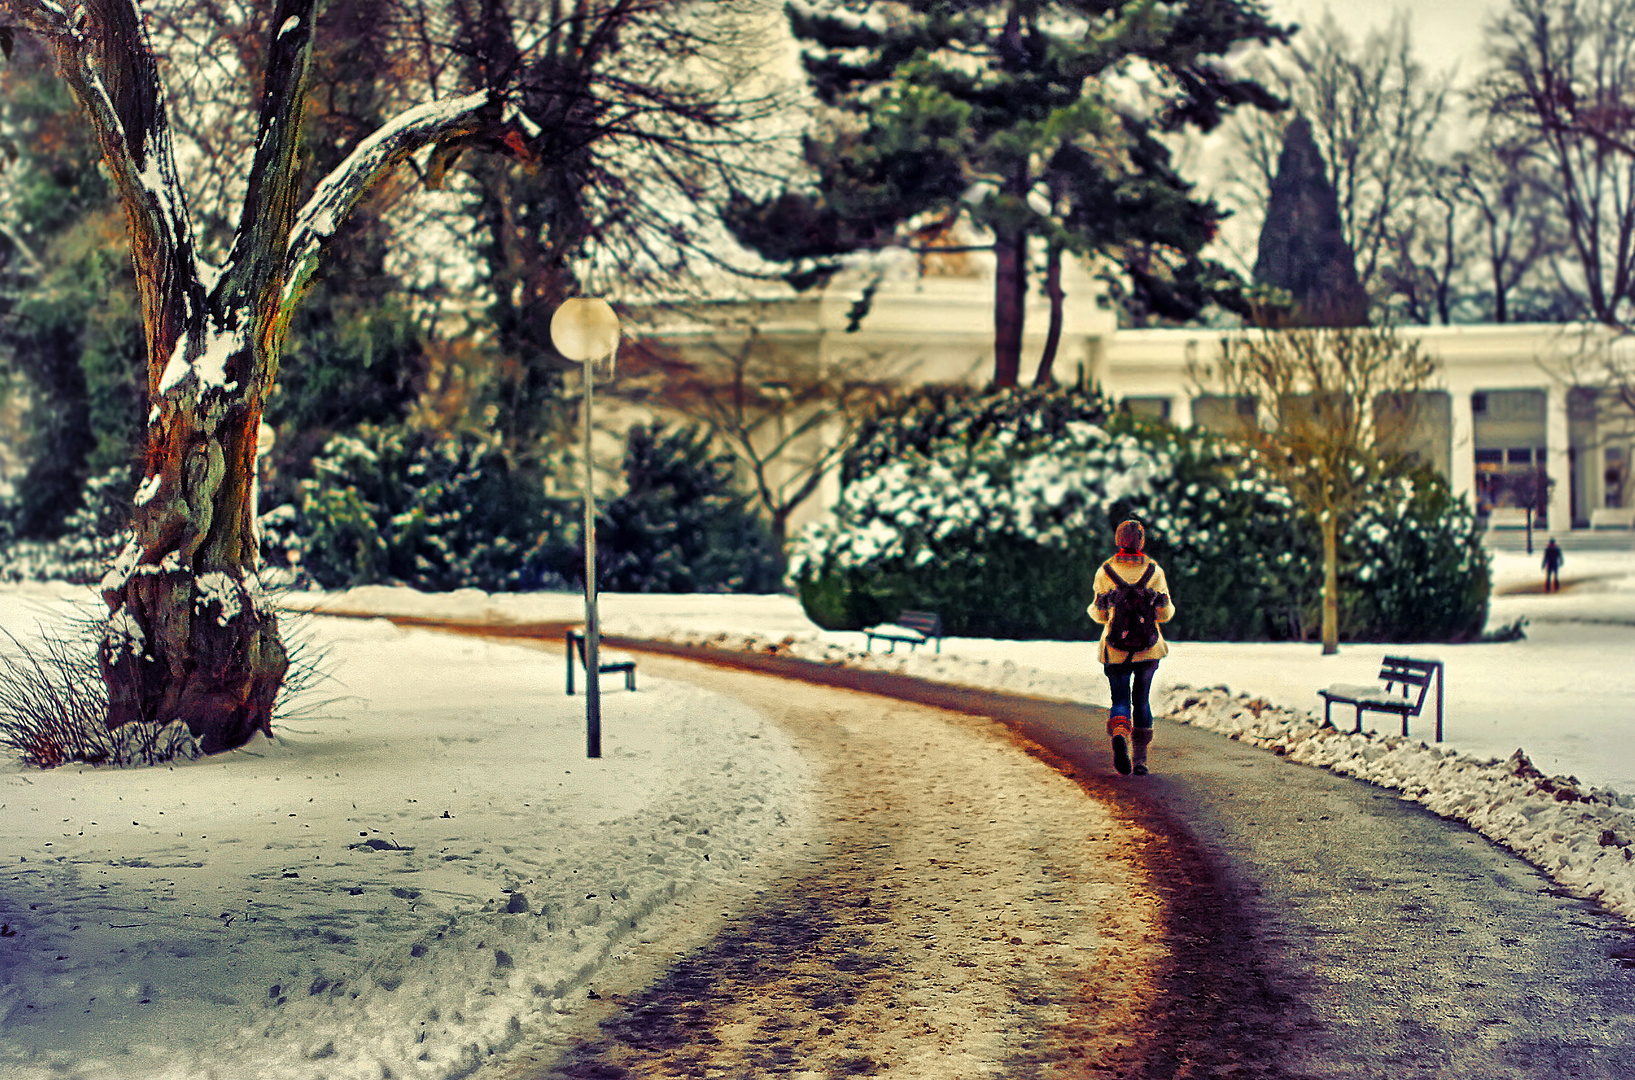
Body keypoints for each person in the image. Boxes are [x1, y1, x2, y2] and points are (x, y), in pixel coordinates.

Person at [1088, 519, 1176, 775]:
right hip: (1148, 649)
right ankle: (1140, 760)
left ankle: (1119, 734)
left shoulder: (1105, 571)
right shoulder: (1154, 571)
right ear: (1142, 541)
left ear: (1118, 540)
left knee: (1120, 700)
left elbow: (1100, 614)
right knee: (1143, 701)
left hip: (1115, 649)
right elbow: (1164, 614)